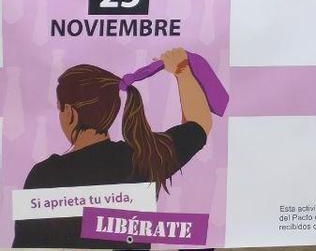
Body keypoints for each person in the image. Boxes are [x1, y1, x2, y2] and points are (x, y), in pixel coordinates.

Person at [13, 48, 212, 249]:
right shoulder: (145, 156)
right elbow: (199, 123)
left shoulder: (43, 175)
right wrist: (182, 71)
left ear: (70, 113)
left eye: (59, 108)